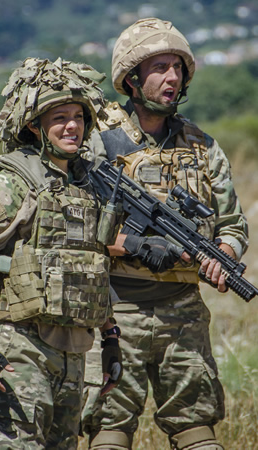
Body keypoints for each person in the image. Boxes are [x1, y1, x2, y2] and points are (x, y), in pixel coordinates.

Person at [81, 18, 249, 450]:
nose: (172, 77)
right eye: (159, 67)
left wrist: (222, 253)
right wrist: (135, 245)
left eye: (177, 67)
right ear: (132, 79)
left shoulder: (202, 146)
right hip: (115, 313)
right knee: (109, 431)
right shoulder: (97, 144)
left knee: (198, 433)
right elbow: (72, 224)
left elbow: (232, 222)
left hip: (184, 315)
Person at [0, 57, 124, 449]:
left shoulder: (88, 184)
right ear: (35, 126)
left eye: (78, 117)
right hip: (21, 350)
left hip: (75, 356)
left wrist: (110, 335)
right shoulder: (15, 180)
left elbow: (91, 268)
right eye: (59, 117)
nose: (72, 126)